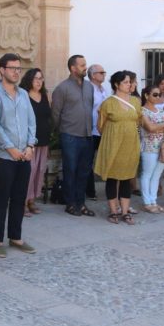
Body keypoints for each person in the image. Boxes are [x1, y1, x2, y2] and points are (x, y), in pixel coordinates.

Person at [0, 54, 37, 259]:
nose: (16, 72)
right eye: (12, 68)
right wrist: (10, 148)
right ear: (2, 70)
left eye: (19, 68)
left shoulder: (24, 94)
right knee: (1, 198)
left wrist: (30, 145)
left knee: (19, 197)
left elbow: (31, 121)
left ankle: (16, 237)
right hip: (3, 156)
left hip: (24, 155)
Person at [94, 71, 141, 225]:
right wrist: (114, 135)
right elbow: (100, 126)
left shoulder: (135, 101)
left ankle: (125, 212)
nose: (130, 85)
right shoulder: (108, 103)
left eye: (130, 82)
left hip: (130, 145)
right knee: (113, 178)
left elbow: (138, 121)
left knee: (127, 178)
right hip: (113, 145)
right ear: (117, 84)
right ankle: (114, 211)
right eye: (126, 82)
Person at [51, 54, 95, 217]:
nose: (85, 67)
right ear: (73, 68)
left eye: (85, 64)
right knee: (70, 170)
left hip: (87, 135)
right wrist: (58, 133)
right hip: (70, 135)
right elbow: (55, 114)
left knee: (84, 171)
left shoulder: (90, 87)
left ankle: (81, 203)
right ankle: (70, 203)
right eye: (82, 65)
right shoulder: (62, 88)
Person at [20, 67, 51, 216]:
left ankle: (32, 200)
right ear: (29, 79)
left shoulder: (45, 96)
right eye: (36, 79)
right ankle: (22, 202)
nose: (39, 82)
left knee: (39, 171)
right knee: (29, 172)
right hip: (29, 142)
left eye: (41, 78)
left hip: (44, 140)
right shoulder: (23, 95)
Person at [139, 85, 164, 213]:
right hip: (149, 147)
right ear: (146, 96)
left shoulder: (161, 110)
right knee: (147, 174)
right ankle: (147, 202)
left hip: (162, 146)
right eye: (155, 94)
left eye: (159, 94)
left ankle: (153, 200)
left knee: (157, 175)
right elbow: (150, 128)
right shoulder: (142, 111)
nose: (158, 97)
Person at [85, 64, 108, 201]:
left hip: (103, 130)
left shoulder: (103, 89)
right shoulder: (88, 89)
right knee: (88, 162)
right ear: (93, 75)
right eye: (101, 72)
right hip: (92, 130)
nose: (104, 74)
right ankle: (90, 191)